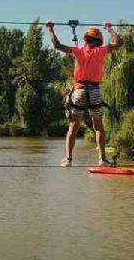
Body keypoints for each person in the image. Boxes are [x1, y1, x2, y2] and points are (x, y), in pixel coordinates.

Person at [46, 20, 123, 167]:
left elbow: (57, 45)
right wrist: (109, 29)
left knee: (73, 126)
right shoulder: (101, 51)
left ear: (86, 40)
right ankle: (102, 159)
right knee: (98, 126)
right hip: (94, 91)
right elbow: (119, 43)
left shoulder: (77, 51)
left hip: (80, 90)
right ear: (99, 41)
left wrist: (50, 29)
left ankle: (68, 159)